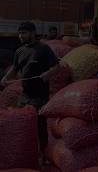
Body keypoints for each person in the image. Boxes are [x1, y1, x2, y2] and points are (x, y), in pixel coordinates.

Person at [0, 22, 63, 164]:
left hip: (40, 96)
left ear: (33, 33)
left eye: (24, 33)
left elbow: (57, 67)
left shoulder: (44, 49)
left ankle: (43, 154)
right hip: (25, 95)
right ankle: (26, 153)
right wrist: (6, 78)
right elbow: (15, 68)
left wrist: (48, 73)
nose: (21, 36)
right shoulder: (19, 51)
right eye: (20, 33)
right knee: (23, 124)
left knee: (40, 126)